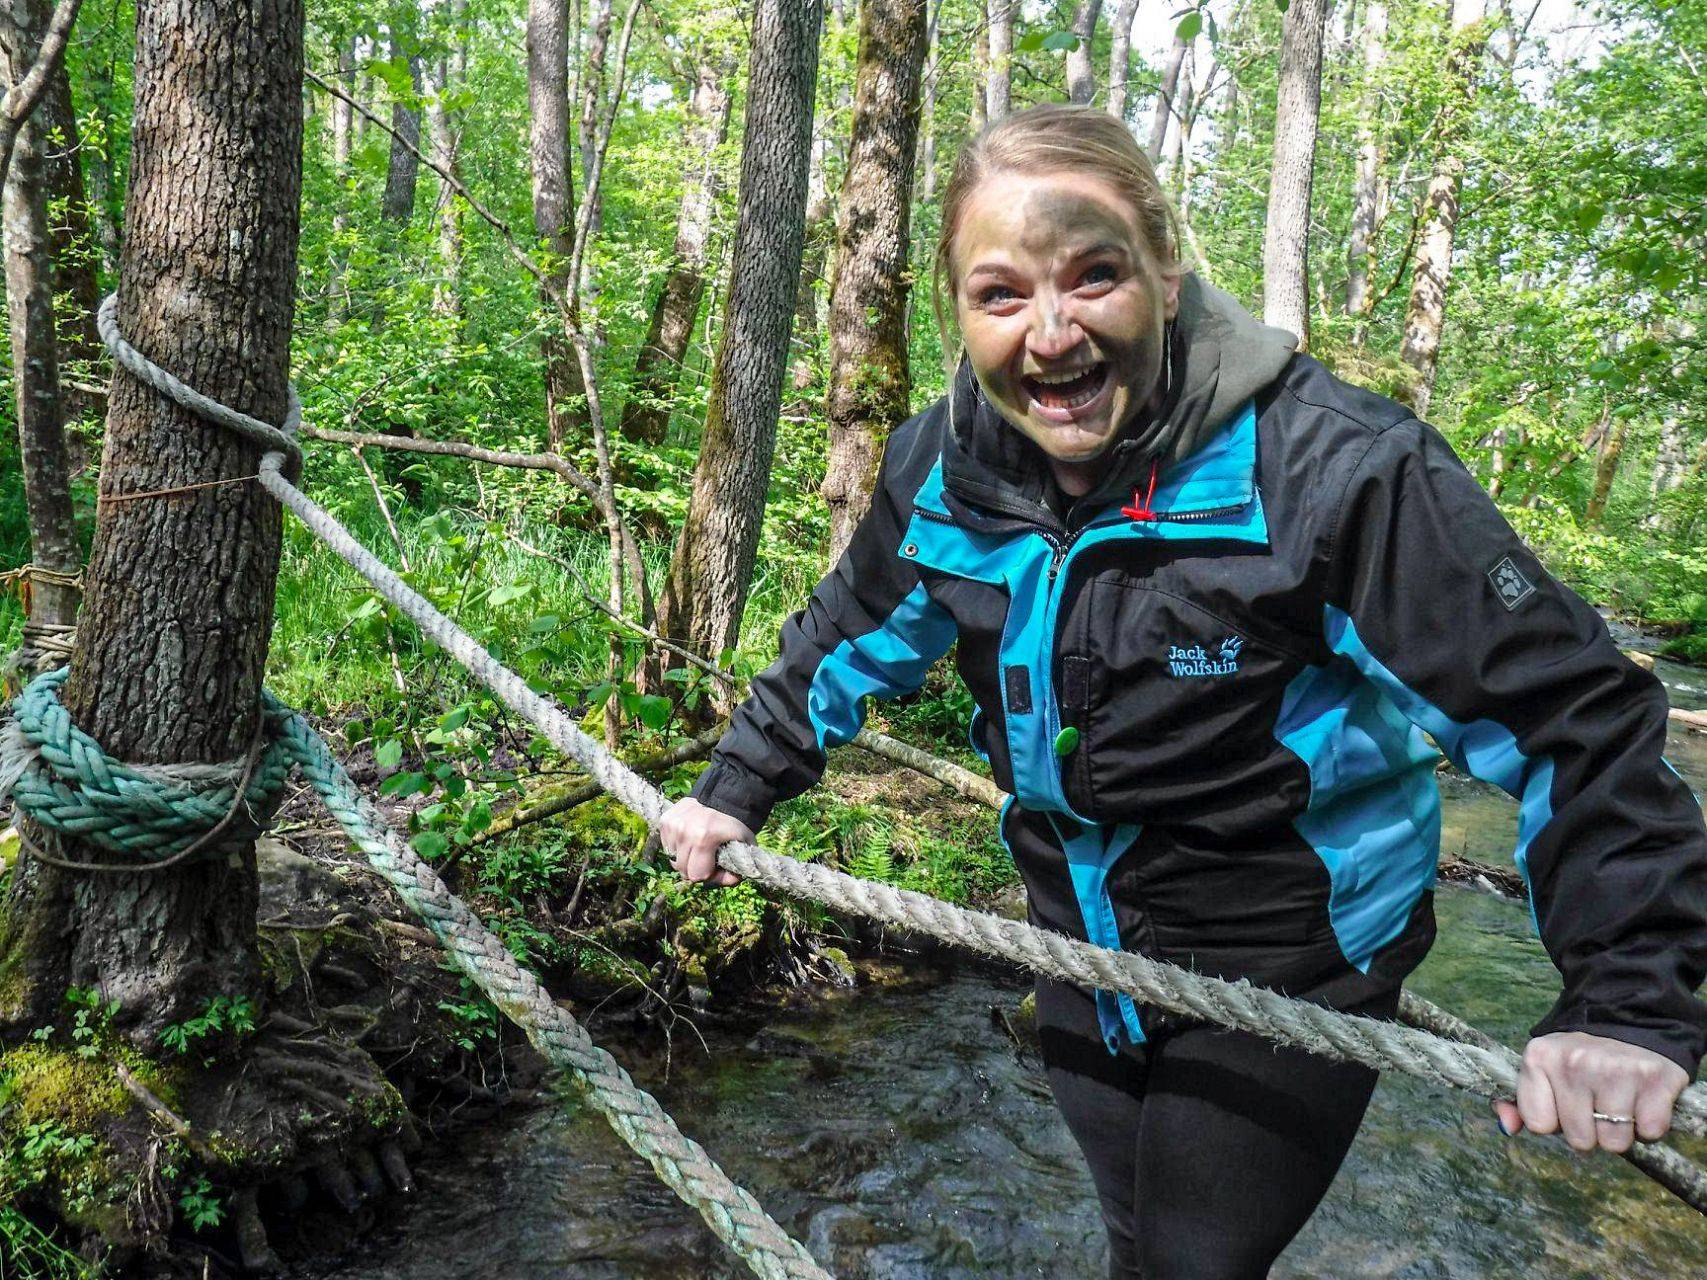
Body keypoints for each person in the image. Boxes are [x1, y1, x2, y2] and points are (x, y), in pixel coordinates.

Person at [658, 103, 1707, 1278]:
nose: (1050, 333)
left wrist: (1622, 996)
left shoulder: (1332, 471)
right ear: (957, 310)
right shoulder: (944, 469)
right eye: (1001, 294)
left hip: (1294, 955)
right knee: (1135, 1241)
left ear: (1165, 271)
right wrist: (736, 785)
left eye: (1093, 276)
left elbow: (1574, 715)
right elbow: (851, 632)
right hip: (1079, 943)